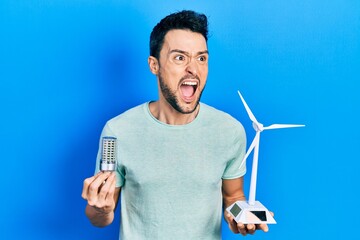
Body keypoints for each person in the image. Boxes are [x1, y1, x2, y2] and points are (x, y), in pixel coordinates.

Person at [82, 10, 271, 239]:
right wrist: (101, 209)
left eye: (201, 58)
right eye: (180, 57)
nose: (193, 69)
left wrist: (239, 218)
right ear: (154, 65)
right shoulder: (118, 131)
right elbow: (100, 216)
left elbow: (233, 197)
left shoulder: (229, 131)